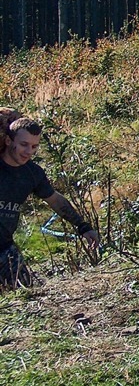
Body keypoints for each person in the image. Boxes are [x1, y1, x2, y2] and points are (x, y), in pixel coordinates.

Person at [1, 117, 100, 289]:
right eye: (24, 144)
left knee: (26, 292)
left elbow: (55, 200)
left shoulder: (32, 173)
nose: (29, 151)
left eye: (34, 146)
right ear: (9, 141)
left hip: (4, 248)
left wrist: (83, 226)